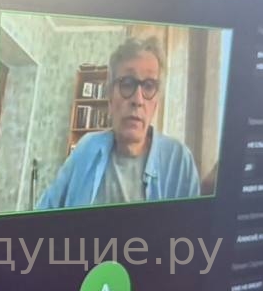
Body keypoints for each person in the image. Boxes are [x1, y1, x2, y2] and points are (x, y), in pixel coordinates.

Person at [36, 37, 200, 209]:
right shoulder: (86, 148)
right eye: (127, 84)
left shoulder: (179, 161)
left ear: (156, 103)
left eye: (149, 86)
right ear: (110, 97)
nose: (138, 100)